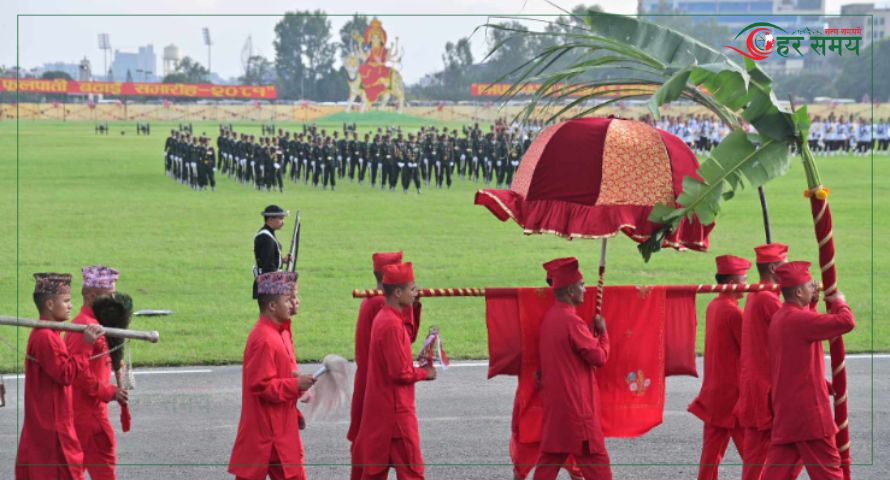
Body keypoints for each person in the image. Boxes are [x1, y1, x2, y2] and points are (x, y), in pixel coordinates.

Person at [762, 261, 854, 480]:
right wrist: (840, 302)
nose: (815, 288)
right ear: (798, 291)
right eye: (809, 286)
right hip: (810, 414)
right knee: (830, 475)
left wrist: (811, 305)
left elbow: (797, 355)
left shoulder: (781, 317)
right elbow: (846, 322)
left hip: (788, 413)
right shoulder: (800, 320)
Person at [16, 273, 105, 480]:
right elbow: (66, 374)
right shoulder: (46, 337)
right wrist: (86, 345)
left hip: (49, 422)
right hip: (52, 427)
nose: (70, 306)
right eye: (65, 301)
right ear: (49, 304)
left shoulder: (48, 333)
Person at [353, 262, 437, 480]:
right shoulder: (392, 324)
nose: (416, 293)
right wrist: (425, 372)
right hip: (396, 413)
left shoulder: (385, 317)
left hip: (382, 412)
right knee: (412, 472)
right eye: (412, 289)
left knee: (373, 473)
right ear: (398, 292)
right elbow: (400, 373)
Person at [229, 271, 316, 480]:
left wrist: (296, 381)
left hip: (281, 426)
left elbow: (281, 373)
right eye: (289, 300)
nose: (294, 304)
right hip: (266, 430)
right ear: (272, 306)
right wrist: (295, 385)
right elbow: (262, 386)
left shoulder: (280, 332)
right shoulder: (264, 339)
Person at [534, 257, 611, 480]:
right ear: (570, 291)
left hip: (557, 409)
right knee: (599, 468)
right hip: (578, 411)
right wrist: (603, 333)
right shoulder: (571, 322)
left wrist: (588, 333)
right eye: (581, 285)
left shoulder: (551, 318)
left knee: (547, 466)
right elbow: (599, 357)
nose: (585, 290)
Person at [688, 255, 751, 480]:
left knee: (711, 454)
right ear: (734, 281)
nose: (748, 283)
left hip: (715, 393)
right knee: (753, 453)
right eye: (744, 278)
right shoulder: (735, 312)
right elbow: (750, 351)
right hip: (733, 395)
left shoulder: (715, 305)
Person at [64, 265, 129, 480]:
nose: (114, 302)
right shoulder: (83, 328)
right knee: (101, 471)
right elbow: (79, 373)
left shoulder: (96, 325)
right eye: (108, 297)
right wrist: (109, 392)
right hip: (87, 414)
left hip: (88, 411)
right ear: (92, 296)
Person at [739, 243, 790, 480]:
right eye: (785, 264)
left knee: (756, 457)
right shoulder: (767, 299)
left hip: (755, 385)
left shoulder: (757, 295)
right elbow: (794, 329)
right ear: (773, 267)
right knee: (769, 454)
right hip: (765, 388)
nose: (788, 268)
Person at [253, 205, 292, 299]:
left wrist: (282, 260)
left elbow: (269, 258)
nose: (283, 222)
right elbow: (268, 267)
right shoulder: (266, 238)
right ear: (270, 219)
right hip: (269, 285)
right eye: (281, 218)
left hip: (269, 283)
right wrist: (278, 287)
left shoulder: (268, 234)